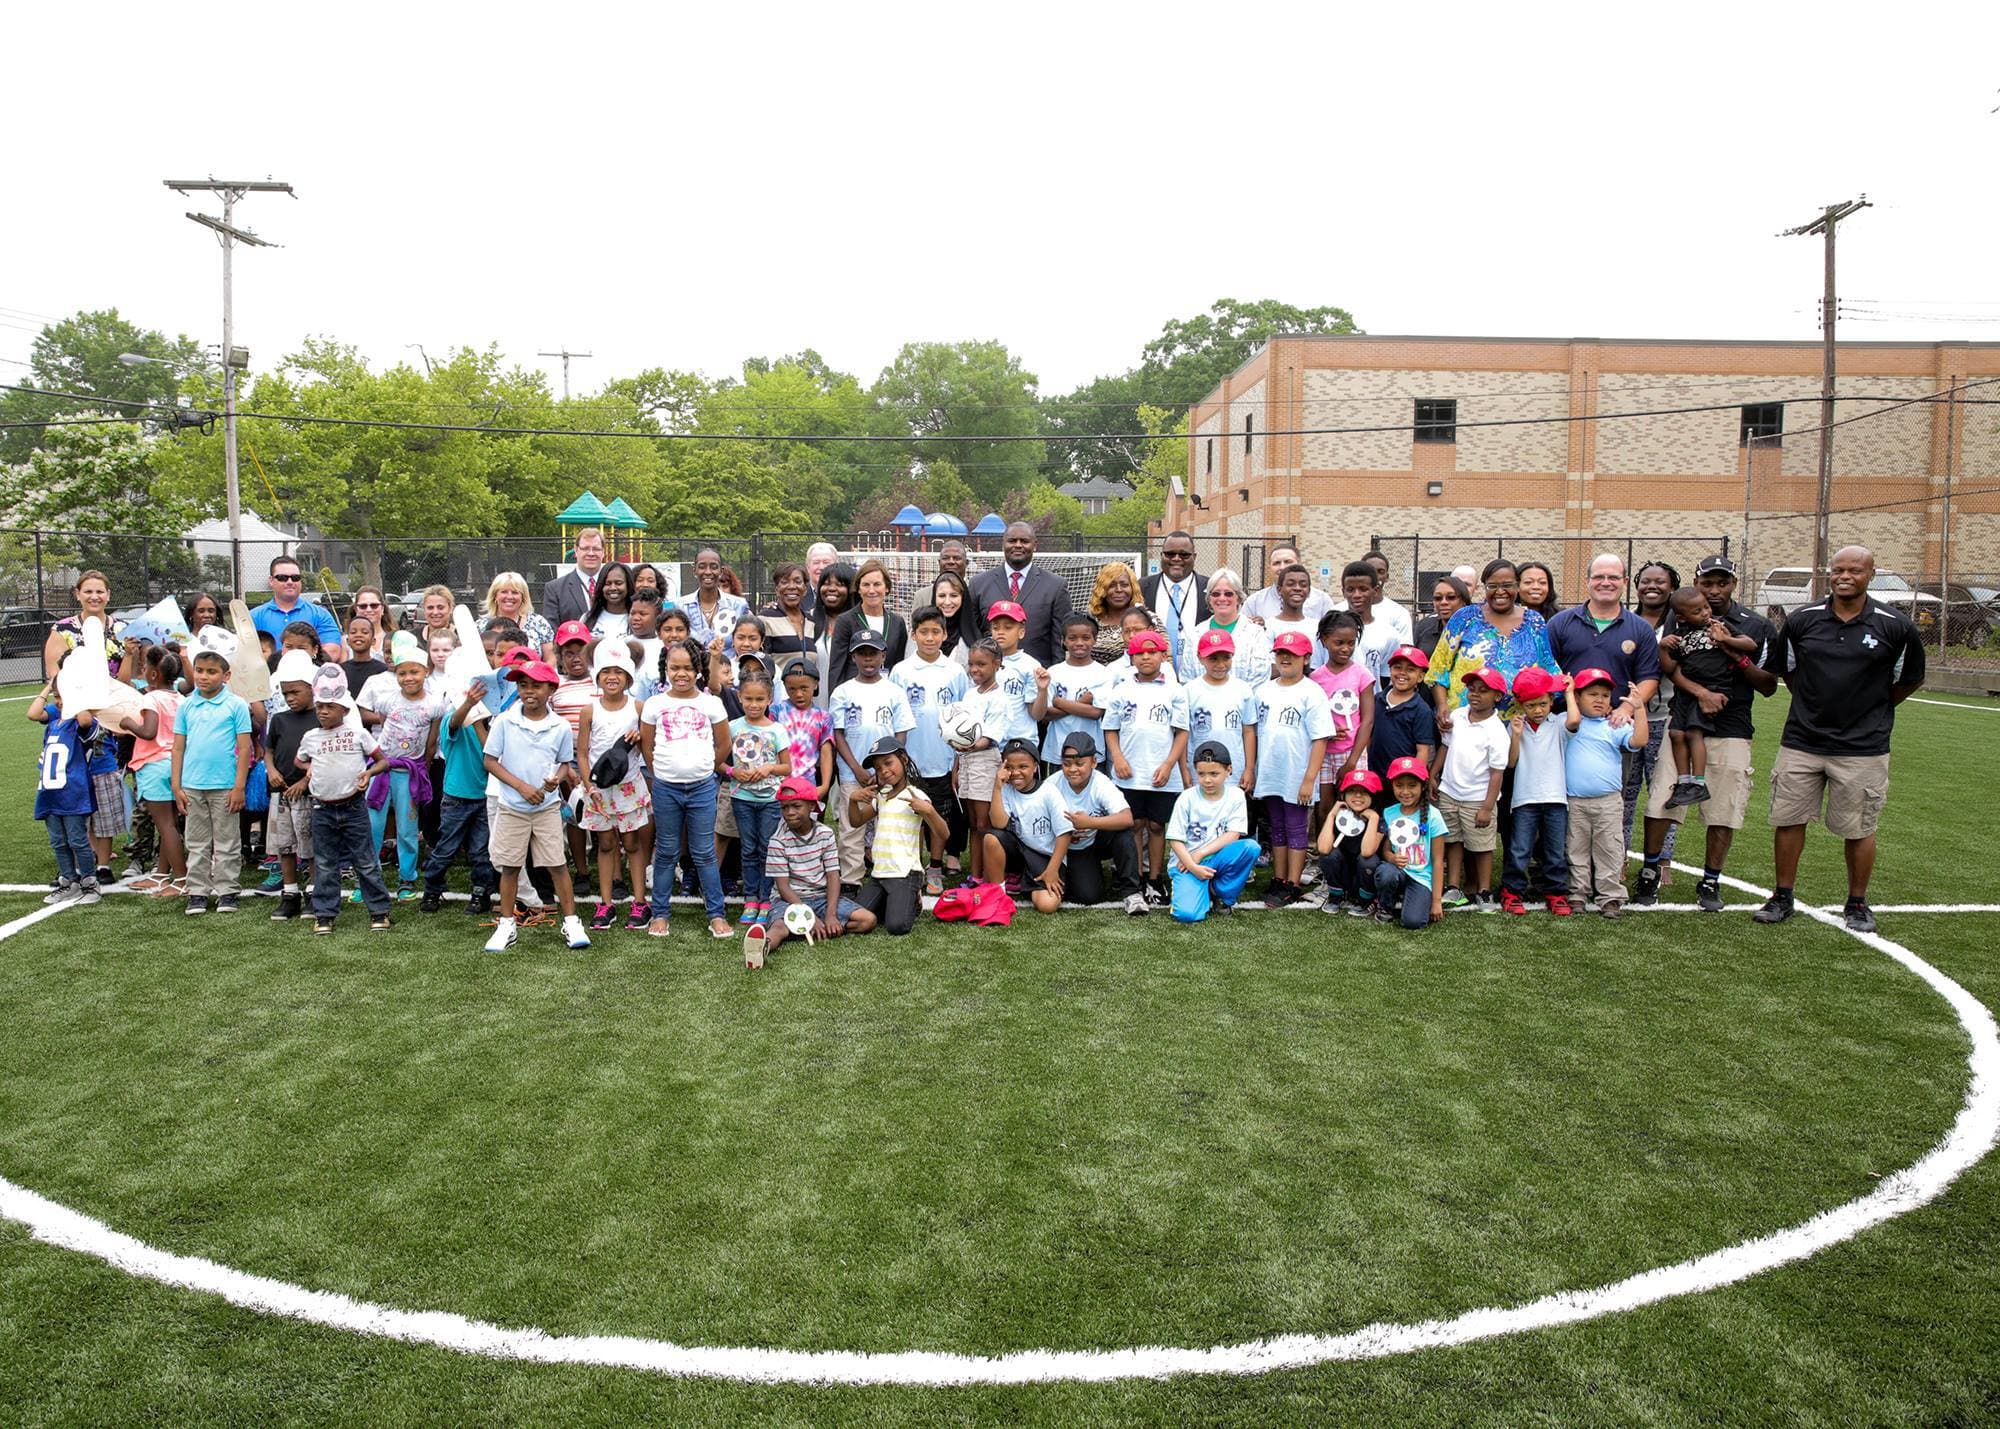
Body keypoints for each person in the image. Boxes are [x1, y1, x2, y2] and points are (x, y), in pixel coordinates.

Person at [1755, 545, 1925, 932]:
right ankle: (1782, 896)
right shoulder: (1803, 620)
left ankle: (1857, 902)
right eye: (1837, 570)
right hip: (1802, 740)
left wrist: (1872, 711)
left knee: (1859, 827)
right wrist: (1813, 707)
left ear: (1871, 574)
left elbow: (1909, 680)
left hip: (1863, 747)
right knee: (1788, 820)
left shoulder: (1894, 625)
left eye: (1854, 570)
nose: (1844, 576)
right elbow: (1789, 672)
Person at [1635, 556, 1777, 912]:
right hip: (1683, 717)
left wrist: (1733, 651)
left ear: (1733, 584)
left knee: (1723, 809)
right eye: (1707, 584)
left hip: (1732, 725)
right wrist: (1701, 693)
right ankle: (1650, 872)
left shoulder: (1754, 625)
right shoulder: (1678, 617)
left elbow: (1769, 685)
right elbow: (1671, 668)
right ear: (1697, 583)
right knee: (1662, 801)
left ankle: (1710, 880)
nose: (1714, 591)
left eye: (1721, 583)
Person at [482, 658, 591, 952]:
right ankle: (507, 925)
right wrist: (521, 786)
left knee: (557, 864)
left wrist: (556, 779)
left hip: (546, 808)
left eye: (536, 686)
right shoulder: (504, 721)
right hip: (511, 807)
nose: (529, 691)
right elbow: (490, 761)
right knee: (509, 867)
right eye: (523, 685)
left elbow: (564, 763)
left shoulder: (559, 726)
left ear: (551, 689)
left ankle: (571, 922)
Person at [640, 642, 734, 940]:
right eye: (674, 668)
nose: (681, 674)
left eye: (687, 668)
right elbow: (647, 745)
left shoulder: (711, 704)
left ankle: (717, 915)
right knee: (666, 851)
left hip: (703, 787)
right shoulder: (655, 704)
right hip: (666, 788)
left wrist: (707, 768)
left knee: (704, 852)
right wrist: (660, 773)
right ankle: (659, 914)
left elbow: (724, 744)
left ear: (698, 671)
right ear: (665, 670)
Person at [295, 665, 394, 934]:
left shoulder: (357, 734)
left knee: (365, 861)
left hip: (353, 807)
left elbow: (383, 761)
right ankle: (325, 914)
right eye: (320, 706)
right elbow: (300, 759)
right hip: (322, 809)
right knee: (325, 864)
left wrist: (368, 773)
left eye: (330, 706)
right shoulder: (311, 738)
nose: (323, 711)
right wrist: (310, 769)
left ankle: (379, 911)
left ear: (345, 710)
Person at [1103, 628, 1189, 905]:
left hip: (1161, 774)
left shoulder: (1175, 691)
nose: (1146, 657)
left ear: (1163, 655)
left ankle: (1155, 878)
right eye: (1139, 653)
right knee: (1134, 824)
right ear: (1131, 658)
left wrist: (1168, 765)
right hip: (1130, 772)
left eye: (1152, 652)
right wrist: (1117, 757)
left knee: (1155, 825)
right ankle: (1135, 877)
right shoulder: (1121, 690)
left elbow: (1182, 732)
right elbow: (1111, 728)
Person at [172, 634, 254, 915]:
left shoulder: (236, 706)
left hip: (224, 786)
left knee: (228, 841)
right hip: (192, 785)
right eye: (199, 671)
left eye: (211, 671)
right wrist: (176, 785)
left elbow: (245, 749)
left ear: (226, 675)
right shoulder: (186, 706)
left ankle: (228, 890)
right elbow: (178, 748)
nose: (204, 677)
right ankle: (197, 891)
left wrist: (239, 787)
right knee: (196, 842)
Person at [1657, 585, 1758, 810]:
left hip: (1714, 688)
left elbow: (1750, 644)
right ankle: (1684, 783)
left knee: (1694, 733)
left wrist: (1726, 640)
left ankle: (1698, 782)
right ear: (1681, 617)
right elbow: (1669, 668)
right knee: (1675, 733)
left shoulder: (1718, 625)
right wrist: (1663, 648)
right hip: (1686, 693)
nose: (1705, 613)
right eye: (1697, 611)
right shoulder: (1679, 635)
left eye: (1705, 607)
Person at [828, 629, 914, 891]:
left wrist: (888, 769)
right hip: (852, 772)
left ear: (883, 656)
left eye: (873, 653)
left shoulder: (894, 691)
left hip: (887, 774)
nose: (868, 659)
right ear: (853, 657)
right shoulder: (842, 692)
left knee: (887, 824)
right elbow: (838, 734)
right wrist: (857, 769)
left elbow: (901, 733)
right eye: (862, 654)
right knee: (851, 827)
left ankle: (884, 874)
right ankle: (851, 878)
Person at [893, 605, 970, 897]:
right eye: (923, 632)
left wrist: (958, 759)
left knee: (939, 815)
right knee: (910, 815)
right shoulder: (901, 671)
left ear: (944, 634)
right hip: (910, 759)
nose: (929, 637)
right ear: (914, 635)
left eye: (935, 631)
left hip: (943, 758)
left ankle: (935, 866)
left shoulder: (954, 672)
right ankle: (912, 865)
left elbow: (964, 717)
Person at [575, 642, 652, 931]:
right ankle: (606, 903)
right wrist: (588, 785)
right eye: (606, 671)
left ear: (628, 677)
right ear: (597, 676)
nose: (612, 677)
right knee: (605, 844)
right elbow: (582, 753)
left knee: (632, 843)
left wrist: (639, 737)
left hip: (629, 786)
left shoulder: (638, 707)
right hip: (598, 789)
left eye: (618, 672)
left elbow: (648, 747)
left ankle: (640, 901)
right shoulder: (589, 710)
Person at [1426, 559, 1557, 728]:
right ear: (1484, 587)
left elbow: (1548, 669)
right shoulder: (1465, 617)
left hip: (1517, 725)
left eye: (1507, 585)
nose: (1500, 591)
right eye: (1492, 586)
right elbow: (1438, 668)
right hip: (1466, 722)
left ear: (1517, 586)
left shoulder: (1534, 621)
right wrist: (1442, 706)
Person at [1252, 631, 1332, 907]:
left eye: (1293, 654)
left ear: (1306, 658)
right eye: (1281, 653)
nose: (1285, 658)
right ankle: (1279, 877)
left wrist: (1310, 778)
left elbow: (1321, 737)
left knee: (1296, 828)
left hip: (1297, 774)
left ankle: (1293, 883)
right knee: (1276, 828)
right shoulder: (1263, 690)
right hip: (1271, 772)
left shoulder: (1312, 692)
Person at [366, 632, 446, 898]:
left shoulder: (434, 703)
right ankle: (368, 878)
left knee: (407, 828)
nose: (408, 678)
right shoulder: (388, 699)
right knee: (373, 826)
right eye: (402, 673)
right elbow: (384, 726)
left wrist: (422, 766)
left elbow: (432, 741)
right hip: (382, 770)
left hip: (409, 772)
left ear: (425, 671)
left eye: (414, 672)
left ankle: (407, 879)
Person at [1566, 667, 1646, 919]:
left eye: (1604, 695)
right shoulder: (1568, 723)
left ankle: (1610, 897)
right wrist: (1568, 694)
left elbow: (1639, 741)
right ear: (1578, 696)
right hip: (1574, 801)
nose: (1599, 700)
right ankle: (1577, 893)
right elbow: (1572, 721)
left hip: (1608, 801)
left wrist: (1639, 708)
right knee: (1575, 850)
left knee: (1609, 849)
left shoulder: (1614, 725)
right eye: (1592, 694)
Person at [764, 775, 876, 955]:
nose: (790, 812)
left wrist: (830, 915)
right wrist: (810, 918)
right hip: (789, 901)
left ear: (811, 806)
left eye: (796, 806)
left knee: (867, 920)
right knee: (778, 928)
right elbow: (783, 888)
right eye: (785, 807)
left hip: (822, 898)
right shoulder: (778, 840)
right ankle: (762, 946)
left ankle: (818, 927)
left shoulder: (825, 834)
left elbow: (833, 876)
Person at [1544, 553, 1658, 725]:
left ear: (1625, 582)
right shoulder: (1559, 623)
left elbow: (1648, 679)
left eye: (1613, 577)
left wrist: (1624, 710)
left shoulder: (1641, 629)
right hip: (1564, 725)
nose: (1606, 582)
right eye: (1598, 577)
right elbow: (1546, 672)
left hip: (1615, 728)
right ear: (1587, 581)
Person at [851, 736, 948, 933]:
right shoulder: (881, 797)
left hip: (905, 873)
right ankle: (892, 900)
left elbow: (943, 833)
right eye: (878, 768)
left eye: (888, 763)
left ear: (903, 759)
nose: (884, 771)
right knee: (855, 915)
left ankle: (912, 899)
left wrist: (928, 811)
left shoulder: (916, 796)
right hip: (879, 873)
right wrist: (853, 801)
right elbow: (856, 821)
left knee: (897, 926)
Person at [422, 672, 498, 920]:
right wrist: (468, 705)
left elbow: (491, 753)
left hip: (483, 797)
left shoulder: (492, 726)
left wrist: (479, 717)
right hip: (456, 798)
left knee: (480, 851)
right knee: (446, 848)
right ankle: (432, 890)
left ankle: (480, 892)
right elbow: (455, 722)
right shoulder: (451, 720)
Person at [1436, 666, 1509, 911]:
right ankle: (1454, 887)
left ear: (1497, 696)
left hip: (1477, 798)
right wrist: (1432, 775)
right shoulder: (1457, 716)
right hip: (1450, 791)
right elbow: (1445, 747)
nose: (1475, 694)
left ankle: (1484, 891)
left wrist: (1487, 807)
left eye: (1483, 691)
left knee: (1482, 846)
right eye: (1471, 689)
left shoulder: (1497, 731)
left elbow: (1497, 772)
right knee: (1453, 841)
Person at [1501, 666, 1573, 916]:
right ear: (1522, 705)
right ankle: (1512, 891)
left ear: (1552, 701)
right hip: (1524, 798)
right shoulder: (1516, 726)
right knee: (1519, 848)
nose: (1538, 710)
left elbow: (1574, 720)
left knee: (1554, 849)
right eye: (1531, 705)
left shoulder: (1559, 722)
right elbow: (1511, 762)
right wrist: (1516, 736)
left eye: (1543, 704)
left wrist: (1570, 691)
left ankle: (1555, 891)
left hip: (1555, 798)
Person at [1051, 730, 1146, 914]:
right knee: (1088, 896)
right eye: (1066, 764)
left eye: (1080, 763)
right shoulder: (1052, 784)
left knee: (1124, 834)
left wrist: (1089, 822)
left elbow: (1127, 818)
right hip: (1064, 849)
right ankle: (1076, 873)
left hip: (1095, 842)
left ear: (1094, 762)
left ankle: (1132, 892)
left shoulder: (1101, 783)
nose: (1072, 769)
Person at [29, 668, 101, 906]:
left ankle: (90, 882)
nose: (60, 702)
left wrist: (75, 694)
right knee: (58, 841)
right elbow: (32, 713)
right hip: (50, 792)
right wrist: (50, 687)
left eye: (64, 697)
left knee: (78, 840)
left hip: (73, 793)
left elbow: (85, 720)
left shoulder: (81, 723)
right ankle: (68, 880)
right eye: (57, 697)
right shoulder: (53, 723)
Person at [724, 670, 791, 927]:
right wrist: (733, 771)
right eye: (748, 698)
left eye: (759, 699)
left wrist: (768, 769)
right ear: (739, 697)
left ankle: (766, 898)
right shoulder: (732, 727)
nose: (754, 704)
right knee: (748, 849)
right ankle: (750, 898)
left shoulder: (777, 730)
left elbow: (787, 767)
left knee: (767, 848)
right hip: (742, 798)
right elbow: (718, 760)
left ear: (769, 699)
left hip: (770, 801)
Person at [1165, 740, 1259, 923]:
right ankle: (1198, 887)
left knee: (1250, 848)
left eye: (1214, 773)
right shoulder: (1186, 798)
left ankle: (1220, 894)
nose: (1207, 780)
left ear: (1229, 770)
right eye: (1201, 774)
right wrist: (1192, 865)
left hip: (1213, 858)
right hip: (1186, 862)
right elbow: (1175, 839)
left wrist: (1200, 854)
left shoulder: (1236, 795)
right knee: (1188, 915)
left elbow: (1233, 834)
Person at [261, 649, 322, 922]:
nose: (290, 698)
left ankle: (313, 892)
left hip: (308, 794)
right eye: (286, 693)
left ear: (311, 688)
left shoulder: (320, 719)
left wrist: (304, 781)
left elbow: (324, 757)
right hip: (280, 793)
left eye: (295, 692)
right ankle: (290, 893)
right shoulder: (279, 719)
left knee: (309, 846)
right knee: (284, 846)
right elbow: (269, 751)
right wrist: (271, 770)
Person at [120, 651, 186, 896]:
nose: (143, 671)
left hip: (154, 765)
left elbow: (148, 732)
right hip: (175, 765)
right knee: (170, 825)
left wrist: (128, 724)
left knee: (165, 825)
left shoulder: (151, 698)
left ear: (154, 674)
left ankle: (180, 880)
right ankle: (161, 874)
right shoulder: (179, 697)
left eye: (145, 667)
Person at [983, 738, 1073, 915]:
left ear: (1035, 767)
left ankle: (1025, 882)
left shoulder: (1049, 792)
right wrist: (997, 787)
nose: (1016, 772)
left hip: (1045, 856)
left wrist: (1053, 870)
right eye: (1009, 767)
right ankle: (998, 894)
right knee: (991, 838)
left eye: (1023, 767)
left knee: (1047, 905)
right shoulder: (1006, 789)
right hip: (1020, 849)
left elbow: (1065, 834)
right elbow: (998, 823)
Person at [970, 522, 1073, 665]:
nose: (1018, 545)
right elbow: (972, 635)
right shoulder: (978, 584)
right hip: (991, 677)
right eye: (1012, 541)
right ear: (1003, 544)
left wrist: (1053, 678)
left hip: (1037, 677)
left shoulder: (1056, 586)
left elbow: (1059, 642)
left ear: (1035, 545)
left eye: (1024, 541)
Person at [955, 639, 1011, 885]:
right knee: (972, 822)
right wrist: (956, 765)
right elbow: (959, 731)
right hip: (967, 761)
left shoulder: (1000, 698)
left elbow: (989, 739)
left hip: (985, 761)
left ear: (996, 664)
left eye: (981, 664)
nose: (974, 669)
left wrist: (965, 746)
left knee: (983, 822)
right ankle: (975, 875)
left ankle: (989, 877)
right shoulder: (969, 694)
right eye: (971, 664)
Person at [1183, 629, 1259, 802]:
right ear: (1200, 657)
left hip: (1233, 769)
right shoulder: (1189, 690)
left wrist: (1249, 769)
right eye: (1213, 658)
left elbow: (1248, 731)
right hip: (1200, 770)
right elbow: (1184, 733)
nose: (1220, 664)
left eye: (1226, 657)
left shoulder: (1242, 689)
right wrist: (1184, 769)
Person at [1372, 756, 1447, 928]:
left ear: (1423, 786)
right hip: (1396, 872)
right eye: (1399, 785)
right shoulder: (1389, 813)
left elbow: (1437, 861)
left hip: (1421, 878)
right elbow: (1386, 850)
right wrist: (1391, 858)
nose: (1405, 792)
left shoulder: (1433, 816)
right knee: (1385, 873)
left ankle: (1414, 898)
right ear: (1392, 786)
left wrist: (1436, 901)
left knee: (1413, 922)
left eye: (1412, 785)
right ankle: (1386, 905)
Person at [1310, 611, 1374, 807]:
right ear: (1324, 640)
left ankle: (1353, 840)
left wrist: (1352, 761)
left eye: (1351, 643)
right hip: (1323, 752)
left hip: (1353, 751)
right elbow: (1313, 719)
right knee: (1324, 806)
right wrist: (1328, 732)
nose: (1346, 648)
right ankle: (1323, 838)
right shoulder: (1315, 679)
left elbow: (1368, 720)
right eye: (1339, 643)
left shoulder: (1362, 674)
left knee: (1354, 804)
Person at [826, 558, 909, 696]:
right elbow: (836, 668)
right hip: (854, 697)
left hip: (887, 696)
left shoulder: (897, 622)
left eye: (877, 584)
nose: (871, 590)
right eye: (866, 585)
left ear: (886, 587)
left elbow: (900, 665)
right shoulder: (845, 621)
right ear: (858, 589)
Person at [1041, 613, 1116, 766]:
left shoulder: (1103, 673)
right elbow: (1045, 715)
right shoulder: (1053, 672)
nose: (1079, 643)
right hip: (1056, 750)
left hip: (1092, 750)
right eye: (1073, 638)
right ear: (1063, 641)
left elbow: (1096, 713)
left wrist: (1059, 702)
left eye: (1086, 638)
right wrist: (1082, 702)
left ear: (1095, 640)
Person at [1177, 567, 1271, 686]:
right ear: (1209, 599)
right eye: (1216, 594)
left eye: (1228, 594)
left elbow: (1260, 679)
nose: (1222, 598)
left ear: (1239, 598)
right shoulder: (1195, 634)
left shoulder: (1256, 634)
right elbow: (1187, 678)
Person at [1313, 769, 1383, 917]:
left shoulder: (1379, 819)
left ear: (1373, 796)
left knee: (1368, 860)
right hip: (1343, 875)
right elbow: (1323, 848)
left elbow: (1367, 852)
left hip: (1364, 877)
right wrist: (1332, 814)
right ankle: (1336, 895)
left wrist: (1373, 819)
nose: (1358, 795)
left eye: (1364, 792)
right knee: (1329, 855)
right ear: (1343, 795)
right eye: (1352, 791)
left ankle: (1365, 900)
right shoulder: (1339, 815)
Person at [251, 555, 344, 660]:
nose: (290, 582)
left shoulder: (321, 614)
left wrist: (301, 666)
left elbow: (332, 650)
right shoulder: (253, 616)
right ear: (271, 580)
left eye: (295, 578)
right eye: (282, 578)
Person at [45, 569, 130, 682]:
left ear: (108, 595)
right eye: (88, 592)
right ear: (78, 594)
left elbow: (135, 673)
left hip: (118, 696)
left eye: (99, 592)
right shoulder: (62, 630)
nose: (94, 597)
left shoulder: (123, 628)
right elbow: (55, 675)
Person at [1141, 531, 1209, 672]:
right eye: (1170, 554)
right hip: (1154, 675)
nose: (1177, 559)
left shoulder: (1210, 589)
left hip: (1199, 672)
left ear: (1194, 557)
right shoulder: (1142, 588)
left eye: (1184, 555)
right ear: (1161, 556)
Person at [1337, 559, 1413, 683]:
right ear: (1343, 592)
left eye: (1363, 589)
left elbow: (1386, 677)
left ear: (1375, 590)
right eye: (1350, 589)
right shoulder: (1330, 628)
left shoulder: (1389, 634)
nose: (1356, 595)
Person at [1372, 645, 1439, 783]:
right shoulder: (1377, 699)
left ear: (1421, 677)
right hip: (1374, 775)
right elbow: (1369, 734)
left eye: (1410, 670)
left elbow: (1423, 750)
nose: (1402, 673)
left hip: (1402, 779)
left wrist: (1414, 780)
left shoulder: (1421, 710)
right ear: (1390, 670)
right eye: (1397, 667)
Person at [984, 601, 1045, 749]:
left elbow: (1037, 715)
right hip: (988, 744)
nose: (1000, 632)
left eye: (1008, 627)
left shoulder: (1031, 666)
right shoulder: (982, 662)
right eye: (996, 627)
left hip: (1020, 744)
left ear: (1021, 632)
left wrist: (1043, 690)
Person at [1244, 543, 1334, 624]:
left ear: (1299, 564)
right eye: (1276, 563)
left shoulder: (1321, 600)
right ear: (1269, 568)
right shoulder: (1254, 602)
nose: (1282, 567)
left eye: (1287, 562)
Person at [1087, 562, 1157, 664]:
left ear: (1133, 588)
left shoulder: (1149, 619)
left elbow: (1165, 657)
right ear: (1102, 589)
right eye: (1111, 585)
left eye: (1124, 585)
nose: (1119, 590)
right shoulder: (1090, 621)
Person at [1262, 566, 1328, 674]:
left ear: (1309, 591)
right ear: (1279, 590)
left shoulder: (1318, 627)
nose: (1297, 588)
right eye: (1290, 584)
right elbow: (1269, 668)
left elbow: (1323, 666)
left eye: (1303, 585)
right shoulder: (1268, 626)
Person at [541, 527, 609, 630]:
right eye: (585, 548)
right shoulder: (555, 589)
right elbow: (551, 632)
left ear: (603, 552)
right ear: (576, 551)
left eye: (596, 549)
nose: (591, 553)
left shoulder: (615, 586)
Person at [684, 547, 749, 648]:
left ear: (721, 571)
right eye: (702, 567)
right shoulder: (680, 606)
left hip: (728, 663)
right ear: (694, 571)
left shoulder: (738, 605)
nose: (708, 572)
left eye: (714, 567)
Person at [811, 563, 856, 709]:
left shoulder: (860, 624)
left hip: (850, 707)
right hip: (813, 712)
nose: (831, 588)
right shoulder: (807, 620)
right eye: (826, 583)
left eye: (840, 584)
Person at [481, 571, 555, 658]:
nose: (509, 597)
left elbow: (550, 658)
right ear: (495, 596)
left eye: (515, 592)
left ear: (523, 597)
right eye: (504, 592)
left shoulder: (539, 623)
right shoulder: (481, 625)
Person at [756, 562, 815, 664]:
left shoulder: (811, 622)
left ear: (805, 589)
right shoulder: (765, 619)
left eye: (797, 581)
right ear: (777, 589)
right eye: (785, 582)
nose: (792, 586)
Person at [1411, 575, 1469, 659]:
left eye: (1451, 597)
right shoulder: (1423, 628)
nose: (1443, 602)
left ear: (1464, 601)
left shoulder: (1477, 632)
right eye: (1438, 598)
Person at [928, 571, 977, 664]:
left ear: (963, 598)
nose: (947, 602)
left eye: (954, 595)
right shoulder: (921, 632)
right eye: (942, 596)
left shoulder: (974, 637)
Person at [583, 562, 633, 642]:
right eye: (607, 583)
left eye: (618, 583)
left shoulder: (637, 619)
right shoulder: (587, 618)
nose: (613, 588)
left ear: (628, 585)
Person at [802, 541, 841, 623]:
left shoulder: (847, 596)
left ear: (837, 566)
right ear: (808, 567)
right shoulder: (798, 596)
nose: (821, 567)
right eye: (816, 563)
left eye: (826, 562)